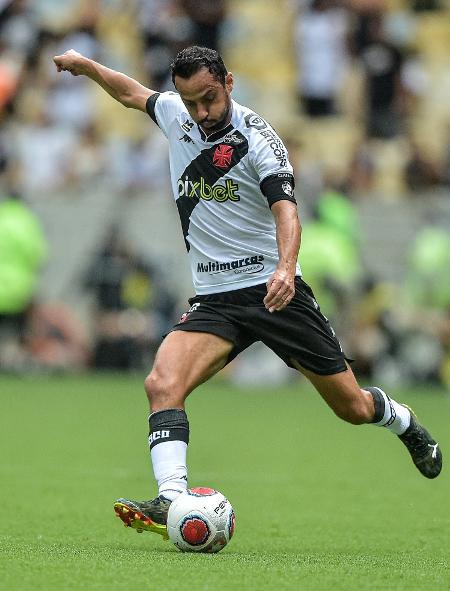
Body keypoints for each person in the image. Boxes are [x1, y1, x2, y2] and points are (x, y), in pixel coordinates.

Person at [53, 45, 442, 540]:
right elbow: (131, 92)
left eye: (209, 98)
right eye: (190, 101)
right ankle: (172, 498)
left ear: (230, 83)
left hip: (275, 292)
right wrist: (87, 67)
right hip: (217, 299)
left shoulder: (258, 139)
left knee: (352, 408)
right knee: (162, 383)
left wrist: (284, 268)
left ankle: (403, 421)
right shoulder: (177, 113)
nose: (200, 112)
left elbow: (287, 211)